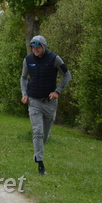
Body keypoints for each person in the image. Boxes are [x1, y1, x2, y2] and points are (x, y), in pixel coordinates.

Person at [20, 35, 71, 175]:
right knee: (37, 131)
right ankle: (40, 163)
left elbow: (67, 75)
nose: (35, 50)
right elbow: (23, 77)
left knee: (45, 136)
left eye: (38, 47)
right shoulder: (28, 60)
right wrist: (24, 93)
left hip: (50, 103)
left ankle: (38, 153)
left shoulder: (54, 59)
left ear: (44, 46)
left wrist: (57, 91)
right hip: (34, 101)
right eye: (33, 47)